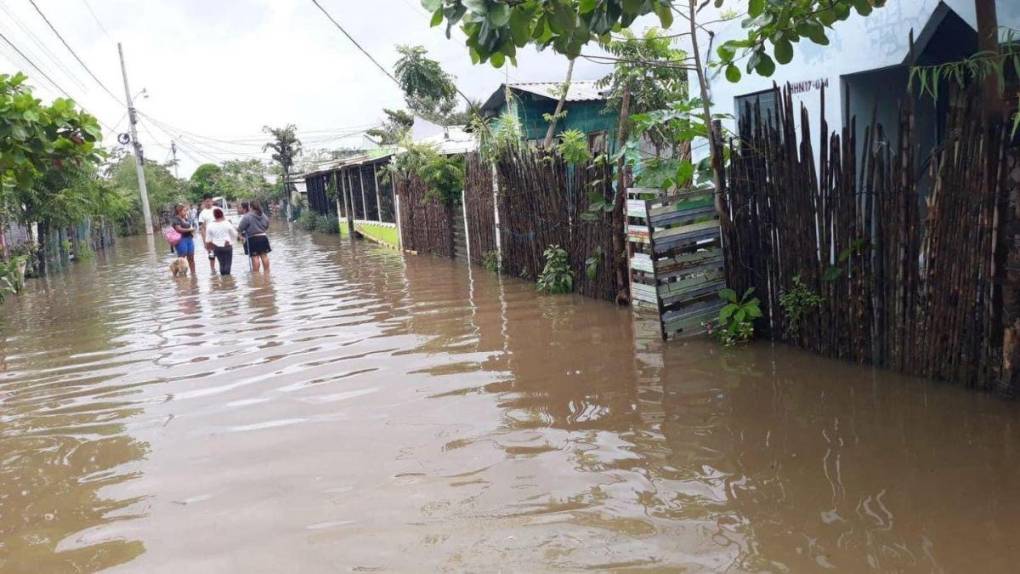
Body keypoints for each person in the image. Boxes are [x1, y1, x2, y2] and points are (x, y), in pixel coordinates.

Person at [238, 200, 271, 272]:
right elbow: (267, 224)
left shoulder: (247, 216)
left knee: (255, 257)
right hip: (263, 237)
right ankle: (267, 272)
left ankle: (256, 274)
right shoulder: (263, 215)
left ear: (251, 207)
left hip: (253, 239)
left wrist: (241, 235)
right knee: (264, 256)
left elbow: (240, 228)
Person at [204, 207, 239, 276]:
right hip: (227, 245)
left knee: (221, 264)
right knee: (228, 264)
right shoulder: (227, 223)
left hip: (216, 247)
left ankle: (223, 282)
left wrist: (208, 247)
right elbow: (235, 234)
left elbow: (208, 239)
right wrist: (231, 240)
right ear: (222, 214)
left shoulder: (210, 225)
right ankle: (228, 281)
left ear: (214, 216)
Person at [171, 203, 196, 276]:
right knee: (182, 259)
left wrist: (191, 230)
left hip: (189, 239)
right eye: (184, 211)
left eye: (186, 210)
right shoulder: (176, 219)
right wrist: (189, 229)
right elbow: (179, 229)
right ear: (179, 211)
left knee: (191, 258)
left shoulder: (186, 218)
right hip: (181, 240)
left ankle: (193, 274)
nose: (186, 212)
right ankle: (180, 275)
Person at [197, 194, 218, 274]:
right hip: (209, 238)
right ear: (204, 202)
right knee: (211, 255)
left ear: (212, 201)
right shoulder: (202, 213)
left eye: (210, 201)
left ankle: (223, 271)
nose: (208, 203)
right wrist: (204, 241)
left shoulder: (217, 210)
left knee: (221, 253)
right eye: (206, 201)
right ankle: (213, 270)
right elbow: (202, 228)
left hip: (219, 237)